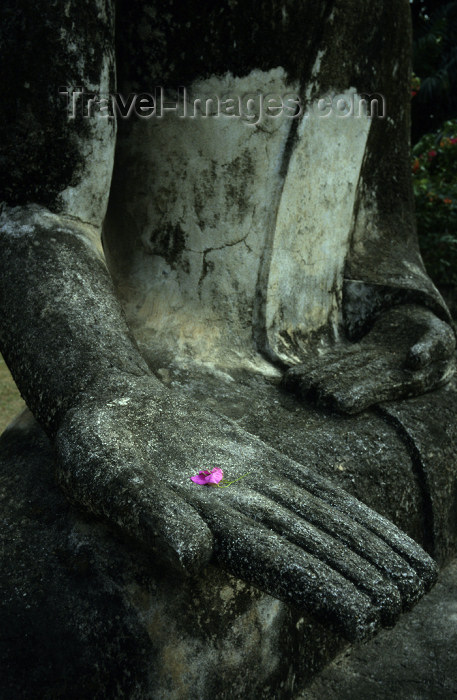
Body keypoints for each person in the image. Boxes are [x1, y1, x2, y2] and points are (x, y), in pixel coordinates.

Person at [1, 0, 456, 696]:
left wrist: (409, 321)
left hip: (338, 375)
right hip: (151, 373)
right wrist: (104, 392)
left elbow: (378, 238)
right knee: (83, 618)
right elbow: (33, 210)